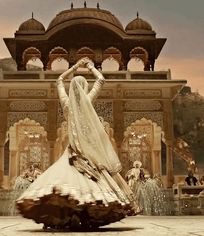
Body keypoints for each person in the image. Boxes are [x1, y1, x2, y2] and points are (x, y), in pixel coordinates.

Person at [17, 58, 139, 230]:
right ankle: (86, 217)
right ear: (83, 89)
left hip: (73, 151)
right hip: (89, 152)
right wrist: (89, 66)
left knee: (69, 186)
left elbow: (59, 81)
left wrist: (73, 68)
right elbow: (101, 80)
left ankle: (72, 216)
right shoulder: (86, 101)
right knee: (90, 184)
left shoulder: (67, 105)